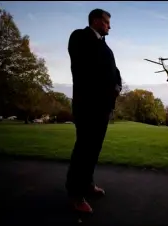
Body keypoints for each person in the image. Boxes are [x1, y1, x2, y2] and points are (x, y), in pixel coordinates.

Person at [66, 8, 122, 213]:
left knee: (94, 149)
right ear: (97, 21)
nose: (109, 26)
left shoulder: (105, 46)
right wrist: (108, 86)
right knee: (84, 150)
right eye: (107, 22)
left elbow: (114, 71)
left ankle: (87, 183)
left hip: (103, 107)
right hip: (88, 105)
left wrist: (118, 86)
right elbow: (87, 68)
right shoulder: (80, 37)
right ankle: (75, 194)